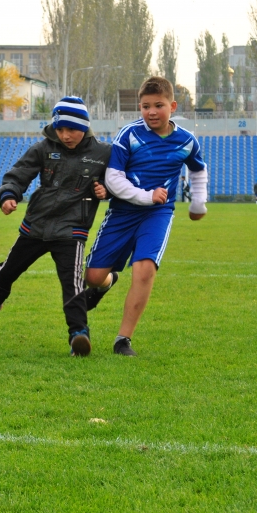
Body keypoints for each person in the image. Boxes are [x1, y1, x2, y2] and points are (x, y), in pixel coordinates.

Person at [0, 97, 111, 356]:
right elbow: (18, 174)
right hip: (35, 226)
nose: (65, 135)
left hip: (72, 229)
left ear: (85, 127)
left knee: (73, 284)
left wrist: (106, 189)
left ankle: (78, 335)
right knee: (7, 273)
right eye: (60, 129)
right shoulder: (42, 148)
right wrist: (9, 195)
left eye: (72, 130)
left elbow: (119, 180)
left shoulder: (103, 153)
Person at [84, 77, 208, 357]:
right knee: (93, 277)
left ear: (172, 106)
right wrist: (146, 195)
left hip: (157, 214)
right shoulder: (129, 134)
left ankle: (123, 339)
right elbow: (113, 178)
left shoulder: (187, 141)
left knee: (144, 270)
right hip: (123, 212)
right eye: (145, 106)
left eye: (158, 105)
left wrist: (198, 203)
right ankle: (106, 283)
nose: (151, 112)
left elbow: (198, 170)